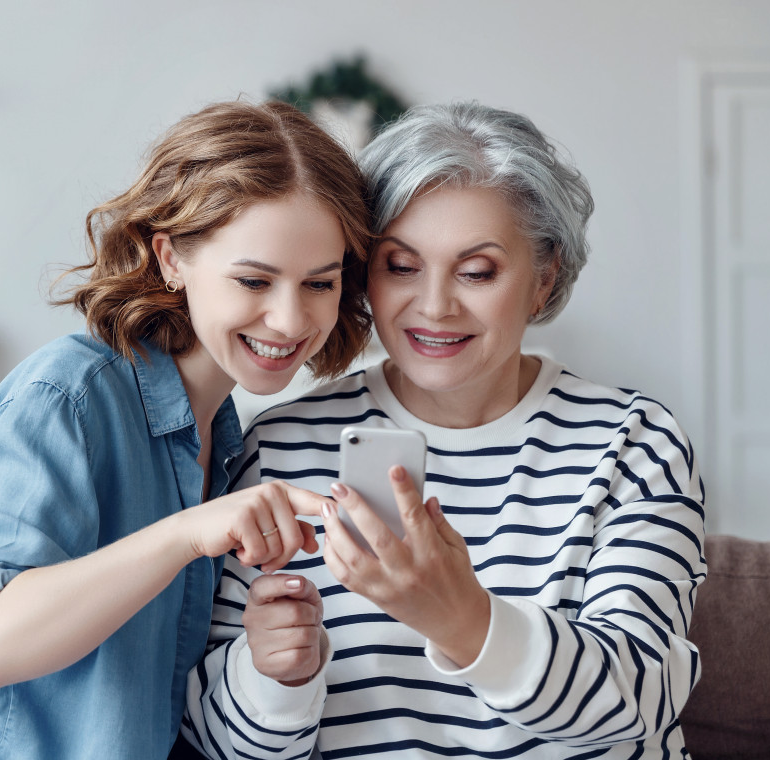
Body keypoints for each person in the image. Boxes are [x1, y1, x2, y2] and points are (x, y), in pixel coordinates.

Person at [0, 100, 375, 760]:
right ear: (172, 258)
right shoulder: (70, 396)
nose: (289, 320)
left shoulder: (228, 444)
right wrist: (185, 534)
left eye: (320, 282)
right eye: (254, 279)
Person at [183, 102, 705, 759]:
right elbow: (216, 742)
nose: (433, 306)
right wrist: (276, 678)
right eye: (400, 266)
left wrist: (462, 621)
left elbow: (643, 700)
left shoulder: (633, 443)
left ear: (543, 279)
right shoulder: (283, 446)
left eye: (477, 271)